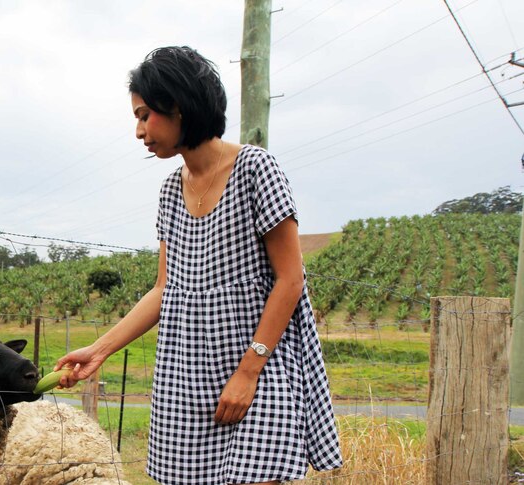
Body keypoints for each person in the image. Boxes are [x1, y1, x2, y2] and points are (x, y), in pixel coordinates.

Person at [54, 46, 342, 485]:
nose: (138, 131)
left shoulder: (255, 169)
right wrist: (98, 350)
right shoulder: (170, 191)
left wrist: (248, 373)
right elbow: (164, 290)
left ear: (179, 105)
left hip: (259, 369)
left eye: (145, 114)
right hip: (187, 376)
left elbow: (291, 278)